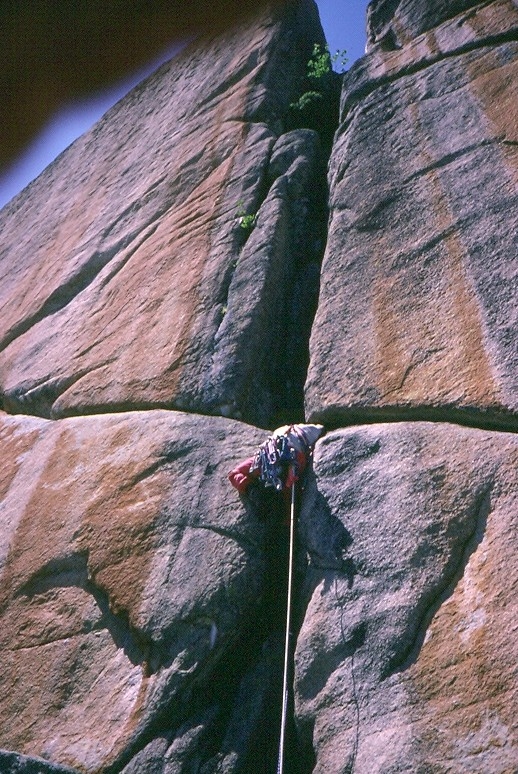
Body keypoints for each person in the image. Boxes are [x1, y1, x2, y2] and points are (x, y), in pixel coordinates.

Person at [228, 423, 324, 495]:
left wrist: (249, 488)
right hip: (295, 444)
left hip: (294, 448)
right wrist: (250, 488)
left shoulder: (261, 462)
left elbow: (234, 474)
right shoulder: (262, 461)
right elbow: (233, 474)